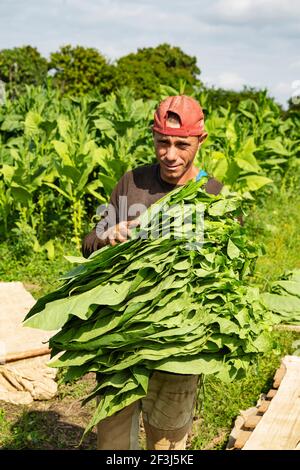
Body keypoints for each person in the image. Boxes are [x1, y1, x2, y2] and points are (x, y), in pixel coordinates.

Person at [82, 95, 223, 450]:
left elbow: (225, 274)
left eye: (181, 144)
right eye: (163, 143)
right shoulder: (133, 183)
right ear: (154, 138)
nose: (171, 155)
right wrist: (107, 235)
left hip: (179, 341)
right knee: (113, 440)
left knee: (168, 440)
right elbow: (89, 242)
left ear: (200, 142)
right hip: (122, 333)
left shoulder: (212, 194)